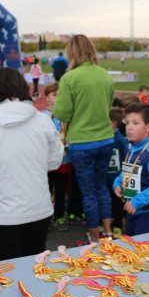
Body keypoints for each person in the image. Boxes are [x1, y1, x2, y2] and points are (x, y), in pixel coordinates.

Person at [0, 68, 63, 260]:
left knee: (7, 274)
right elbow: (54, 161)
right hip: (39, 209)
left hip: (3, 213)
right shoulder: (43, 120)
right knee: (35, 268)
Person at [53, 34, 115, 242]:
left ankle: (95, 235)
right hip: (106, 138)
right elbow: (109, 104)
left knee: (88, 191)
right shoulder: (104, 74)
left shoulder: (69, 78)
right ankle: (108, 230)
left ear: (72, 52)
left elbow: (61, 112)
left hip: (82, 142)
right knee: (101, 187)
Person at [113, 103, 149, 235]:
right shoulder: (131, 147)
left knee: (144, 249)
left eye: (135, 123)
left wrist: (137, 201)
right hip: (133, 208)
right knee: (131, 243)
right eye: (127, 123)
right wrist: (117, 183)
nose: (129, 128)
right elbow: (127, 170)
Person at [42, 82, 72, 232]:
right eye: (54, 95)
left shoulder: (66, 115)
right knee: (45, 190)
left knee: (60, 190)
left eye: (60, 95)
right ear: (47, 98)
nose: (58, 98)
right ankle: (44, 218)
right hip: (46, 162)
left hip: (64, 160)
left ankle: (59, 216)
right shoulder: (41, 116)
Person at [108, 108, 128, 238]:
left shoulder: (121, 141)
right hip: (106, 176)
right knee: (106, 200)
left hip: (116, 176)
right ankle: (104, 224)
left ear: (114, 123)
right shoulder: (105, 139)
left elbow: (126, 158)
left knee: (117, 203)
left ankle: (118, 226)